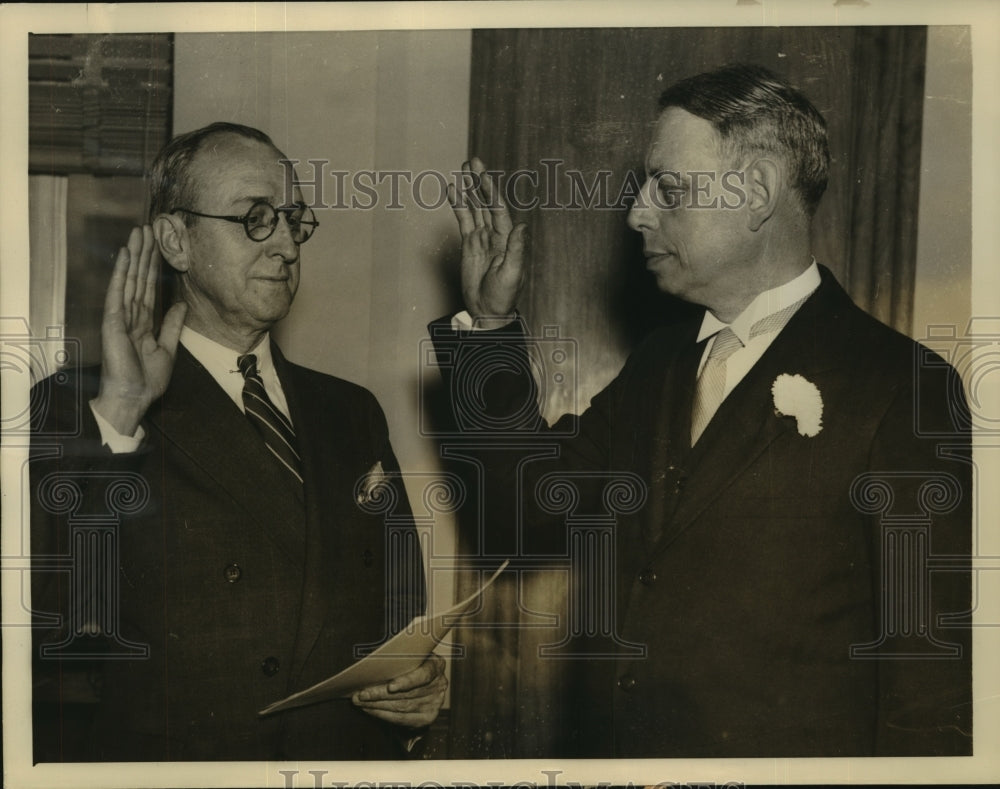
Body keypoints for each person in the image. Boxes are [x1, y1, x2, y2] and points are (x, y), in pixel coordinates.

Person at [433, 64, 972, 757]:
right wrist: (489, 325)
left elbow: (930, 687)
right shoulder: (659, 364)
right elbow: (519, 503)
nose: (637, 214)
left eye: (670, 187)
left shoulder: (902, 384)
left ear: (756, 193)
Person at [30, 122, 446, 761]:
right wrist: (120, 414)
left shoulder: (350, 411)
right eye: (255, 218)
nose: (286, 243)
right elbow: (50, 614)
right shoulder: (79, 404)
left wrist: (413, 701)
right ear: (177, 240)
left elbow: (402, 618)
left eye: (292, 219)